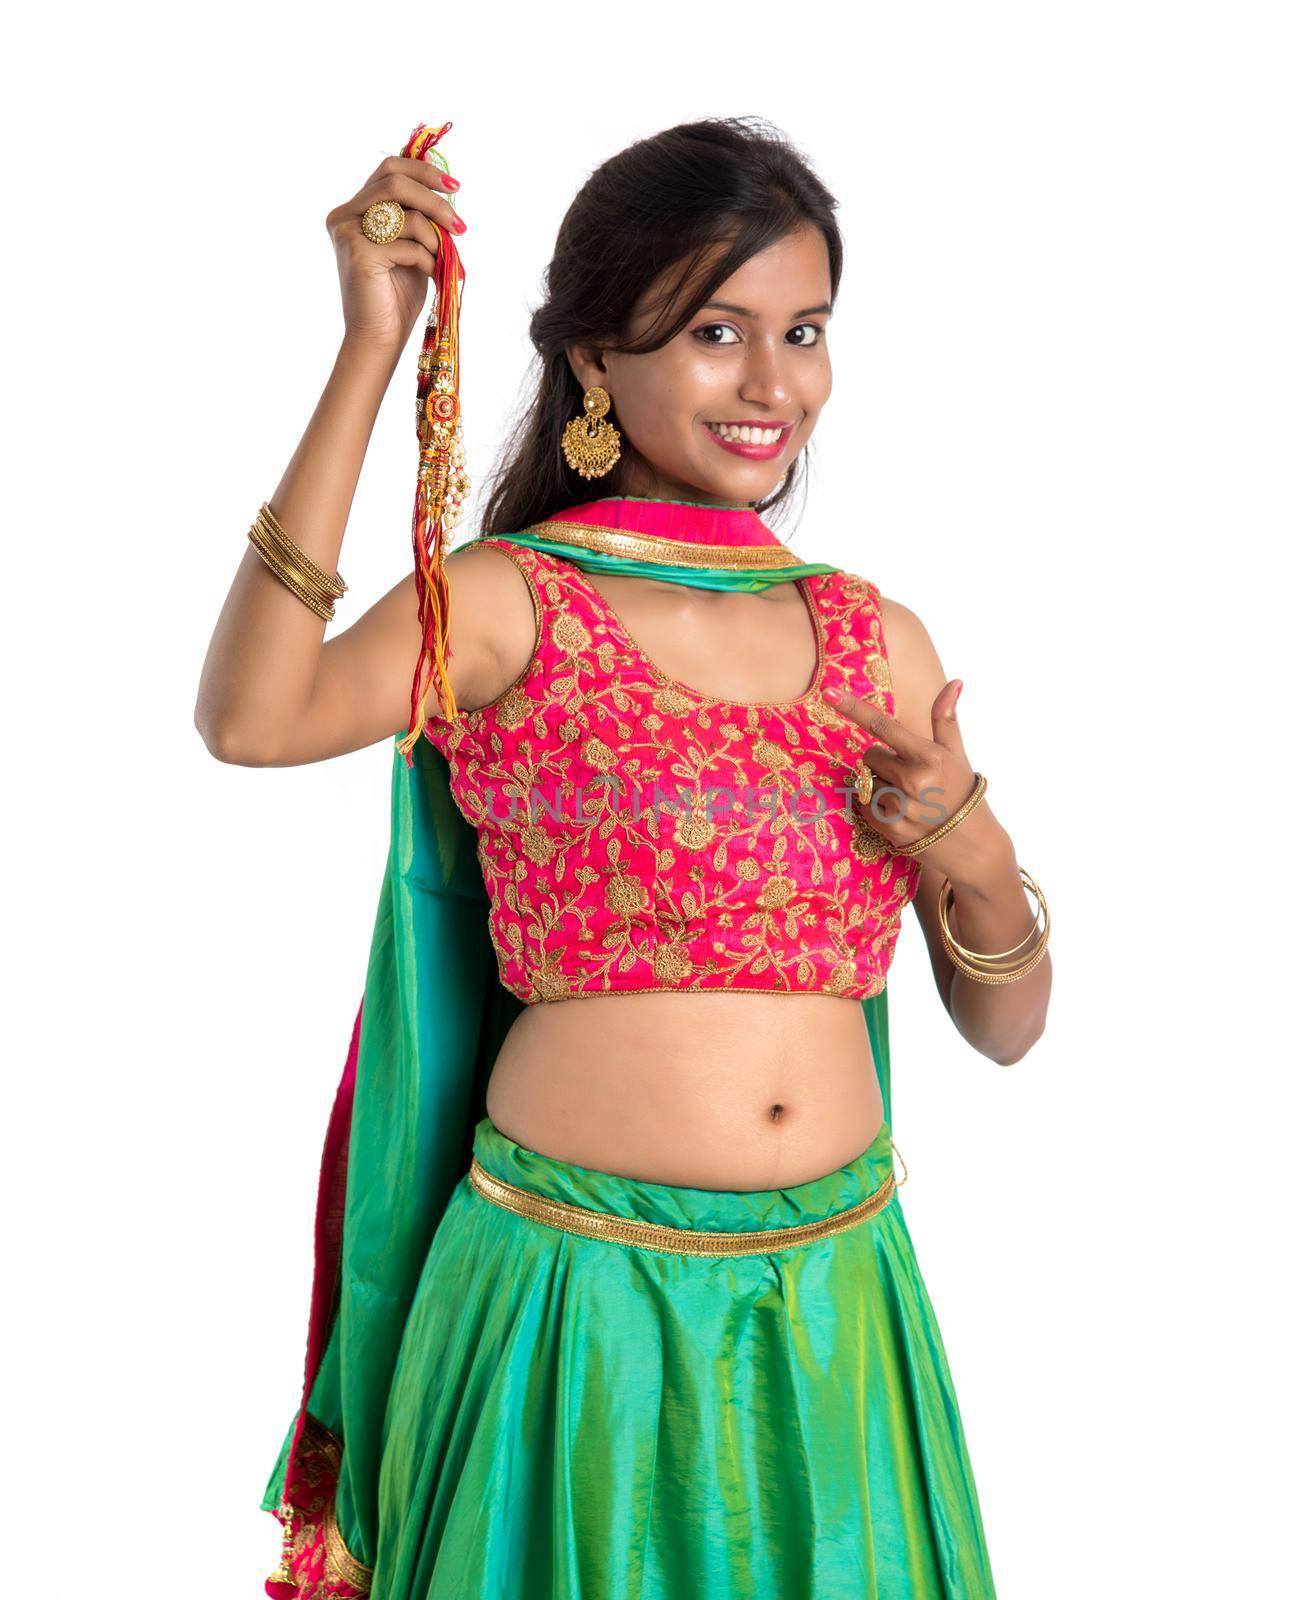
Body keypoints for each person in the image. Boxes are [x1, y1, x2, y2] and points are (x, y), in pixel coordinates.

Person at [196, 115, 1051, 1600]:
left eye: (802, 330)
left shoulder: (872, 635)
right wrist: (368, 355)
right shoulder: (517, 600)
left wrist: (969, 842)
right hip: (569, 1303)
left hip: (833, 1306)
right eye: (715, 332)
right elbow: (252, 720)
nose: (771, 384)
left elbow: (1006, 1030)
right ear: (597, 358)